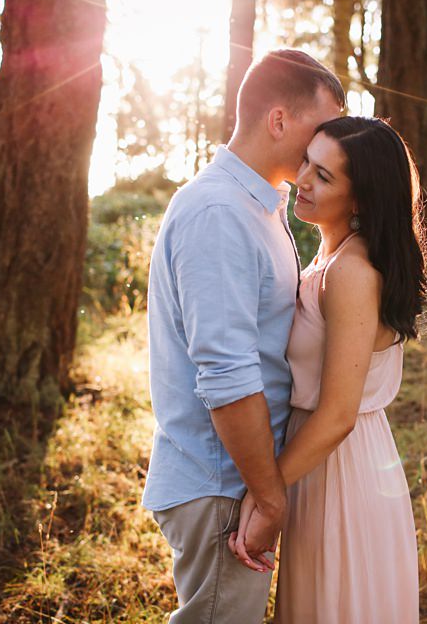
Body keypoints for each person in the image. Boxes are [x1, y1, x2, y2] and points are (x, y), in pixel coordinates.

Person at [140, 50, 344, 623]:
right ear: (279, 120)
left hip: (240, 476)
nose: (326, 143)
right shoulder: (219, 212)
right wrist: (269, 494)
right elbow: (227, 375)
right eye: (319, 126)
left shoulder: (260, 205)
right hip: (224, 482)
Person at [230, 116, 427, 623]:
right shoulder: (328, 256)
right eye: (307, 164)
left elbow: (339, 413)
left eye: (324, 176)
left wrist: (264, 492)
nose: (302, 180)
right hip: (315, 459)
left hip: (341, 465)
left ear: (361, 198)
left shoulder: (352, 272)